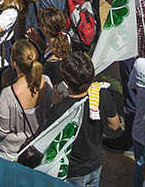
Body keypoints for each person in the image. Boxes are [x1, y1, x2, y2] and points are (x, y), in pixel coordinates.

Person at [25, 51, 124, 187]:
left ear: (66, 80)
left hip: (73, 172)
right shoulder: (102, 94)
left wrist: (55, 104)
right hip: (95, 164)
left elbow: (48, 144)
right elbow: (114, 125)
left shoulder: (60, 110)